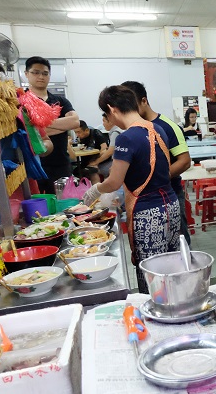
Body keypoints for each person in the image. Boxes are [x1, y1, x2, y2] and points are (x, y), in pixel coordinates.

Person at [83, 85, 180, 293]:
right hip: (171, 206)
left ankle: (155, 317)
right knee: (170, 268)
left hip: (148, 213)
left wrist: (95, 189)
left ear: (112, 109)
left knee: (151, 274)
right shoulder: (158, 128)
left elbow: (114, 181)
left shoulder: (127, 137)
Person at [121, 81, 192, 244]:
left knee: (178, 240)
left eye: (132, 106)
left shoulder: (167, 126)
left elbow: (184, 161)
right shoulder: (134, 128)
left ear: (144, 101)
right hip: (144, 199)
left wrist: (159, 177)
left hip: (170, 193)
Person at [24, 56, 80, 193]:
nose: (41, 76)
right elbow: (24, 132)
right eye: (35, 72)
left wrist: (37, 126)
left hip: (61, 164)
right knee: (38, 207)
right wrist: (61, 126)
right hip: (32, 165)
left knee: (66, 206)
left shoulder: (60, 101)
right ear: (26, 74)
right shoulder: (21, 101)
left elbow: (74, 122)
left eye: (45, 73)